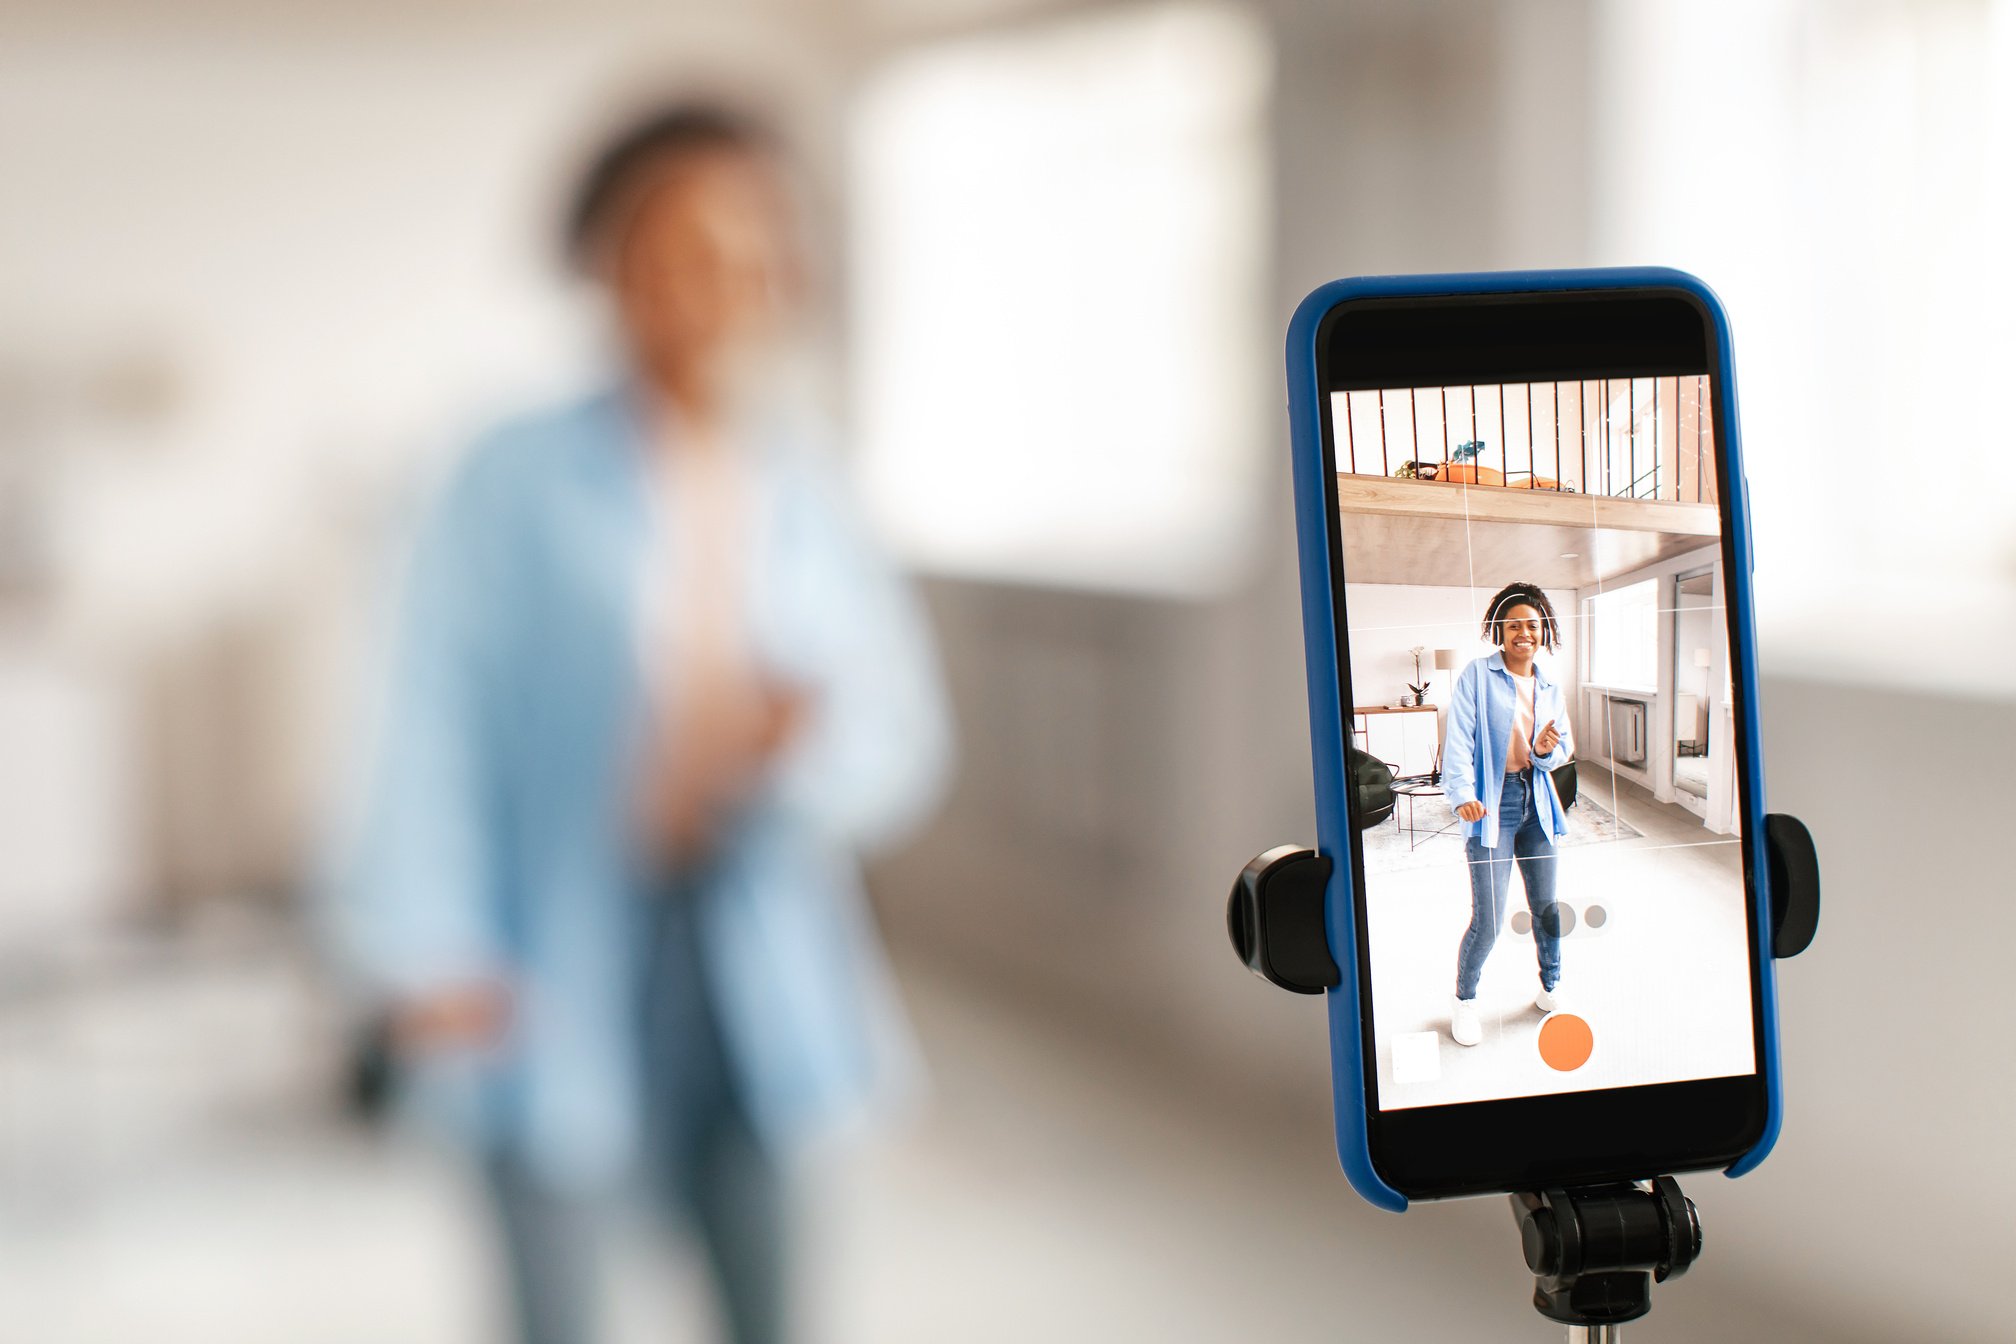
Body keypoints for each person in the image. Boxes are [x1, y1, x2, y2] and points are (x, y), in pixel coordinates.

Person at [329, 101, 952, 1344]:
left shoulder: (806, 480)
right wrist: (428, 943)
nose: (703, 284)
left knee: (770, 1301)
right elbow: (428, 720)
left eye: (740, 250)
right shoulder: (507, 476)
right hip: (548, 954)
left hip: (748, 962)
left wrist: (790, 761)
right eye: (668, 247)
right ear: (604, 261)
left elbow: (897, 742)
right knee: (557, 1302)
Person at [1441, 582, 1573, 1048]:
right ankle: (1465, 1001)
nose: (1523, 632)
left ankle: (1550, 988)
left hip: (1537, 804)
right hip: (1492, 806)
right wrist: (1461, 793)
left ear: (1543, 633)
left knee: (1547, 908)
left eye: (1532, 625)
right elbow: (1458, 737)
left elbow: (1563, 748)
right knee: (1490, 919)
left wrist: (1543, 752)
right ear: (1500, 629)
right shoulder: (1478, 675)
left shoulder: (1551, 684)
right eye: (1514, 624)